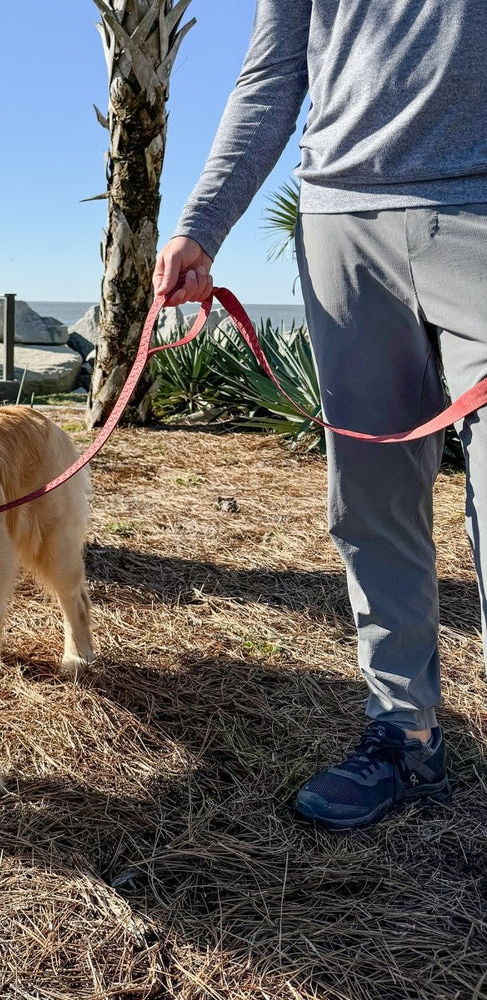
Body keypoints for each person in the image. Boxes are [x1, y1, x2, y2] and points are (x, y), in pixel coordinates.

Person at [155, 0, 487, 830]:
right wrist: (203, 222)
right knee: (369, 495)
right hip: (340, 219)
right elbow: (274, 73)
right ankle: (405, 733)